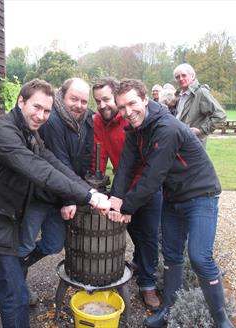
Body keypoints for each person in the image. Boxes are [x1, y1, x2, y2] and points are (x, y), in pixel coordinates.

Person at [0, 79, 110, 328]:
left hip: (2, 213)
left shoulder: (29, 131)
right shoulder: (2, 132)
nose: (41, 116)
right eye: (36, 107)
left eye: (47, 111)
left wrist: (88, 190)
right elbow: (39, 170)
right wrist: (90, 198)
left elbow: (52, 162)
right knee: (15, 295)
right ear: (21, 102)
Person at [108, 79, 234, 328]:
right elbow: (125, 166)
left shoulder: (166, 128)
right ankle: (168, 310)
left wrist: (125, 207)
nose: (127, 112)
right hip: (174, 196)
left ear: (145, 99)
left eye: (132, 103)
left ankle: (222, 321)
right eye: (121, 107)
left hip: (201, 194)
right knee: (172, 255)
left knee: (199, 257)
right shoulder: (135, 129)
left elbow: (153, 176)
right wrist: (115, 198)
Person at [18, 78, 94, 294]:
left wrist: (84, 188)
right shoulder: (52, 121)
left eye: (84, 101)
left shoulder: (85, 119)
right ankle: (17, 286)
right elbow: (59, 162)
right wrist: (71, 198)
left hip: (61, 193)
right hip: (38, 194)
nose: (79, 105)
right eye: (74, 99)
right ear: (62, 95)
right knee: (24, 244)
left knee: (53, 243)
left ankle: (15, 266)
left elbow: (86, 156)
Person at [92, 78, 162, 311]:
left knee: (149, 234)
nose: (102, 105)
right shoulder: (98, 121)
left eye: (106, 99)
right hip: (122, 187)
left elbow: (145, 164)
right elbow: (99, 153)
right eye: (98, 101)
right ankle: (141, 263)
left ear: (117, 98)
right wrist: (97, 180)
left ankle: (148, 284)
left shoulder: (132, 120)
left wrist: (128, 202)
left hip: (146, 186)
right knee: (132, 231)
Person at [174, 63, 226, 146]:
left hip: (194, 144)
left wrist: (201, 131)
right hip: (180, 142)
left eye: (184, 75)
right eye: (177, 77)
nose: (180, 79)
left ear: (192, 76)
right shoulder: (179, 95)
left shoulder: (201, 93)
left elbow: (220, 115)